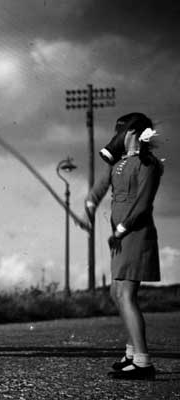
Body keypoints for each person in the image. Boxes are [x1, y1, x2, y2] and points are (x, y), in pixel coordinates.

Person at [83, 112, 163, 380]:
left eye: (123, 131)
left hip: (135, 234)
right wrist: (90, 209)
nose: (118, 136)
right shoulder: (119, 163)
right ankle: (131, 354)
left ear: (133, 133)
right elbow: (100, 187)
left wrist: (120, 229)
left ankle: (143, 362)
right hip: (120, 236)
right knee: (117, 292)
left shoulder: (147, 164)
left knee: (126, 294)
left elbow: (143, 204)